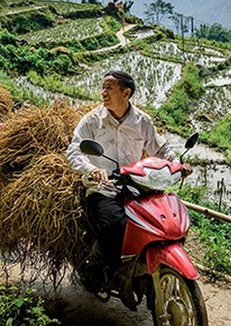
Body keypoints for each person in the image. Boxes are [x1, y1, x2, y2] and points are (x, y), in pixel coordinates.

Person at [66, 70, 190, 280]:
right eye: (103, 87)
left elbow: (161, 150)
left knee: (164, 219)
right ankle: (97, 270)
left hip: (138, 186)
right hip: (104, 189)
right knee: (115, 225)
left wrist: (177, 164)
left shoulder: (142, 121)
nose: (103, 93)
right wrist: (92, 169)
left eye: (109, 88)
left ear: (126, 93)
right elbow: (74, 151)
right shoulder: (92, 121)